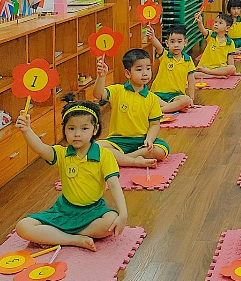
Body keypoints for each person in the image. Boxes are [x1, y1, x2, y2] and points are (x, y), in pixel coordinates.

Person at [14, 96, 127, 250]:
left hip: (93, 210)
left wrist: (123, 213)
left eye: (84, 128)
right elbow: (40, 148)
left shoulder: (105, 155)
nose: (77, 134)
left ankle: (56, 235)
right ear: (64, 130)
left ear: (95, 129)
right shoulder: (61, 153)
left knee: (111, 220)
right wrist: (26, 130)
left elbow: (114, 185)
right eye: (71, 128)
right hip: (64, 211)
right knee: (23, 226)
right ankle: (74, 239)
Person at [93, 49, 170, 167]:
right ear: (128, 73)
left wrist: (149, 139)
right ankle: (134, 160)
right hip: (117, 140)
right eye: (139, 69)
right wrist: (101, 77)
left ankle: (124, 158)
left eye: (148, 68)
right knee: (96, 147)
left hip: (141, 141)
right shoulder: (118, 90)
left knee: (162, 150)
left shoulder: (153, 98)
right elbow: (98, 94)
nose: (145, 73)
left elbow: (155, 124)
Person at [146, 22, 196, 113]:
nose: (176, 45)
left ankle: (160, 110)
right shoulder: (164, 55)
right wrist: (152, 37)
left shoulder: (188, 60)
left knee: (186, 100)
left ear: (185, 42)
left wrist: (191, 99)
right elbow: (157, 45)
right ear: (167, 43)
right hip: (158, 94)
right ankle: (172, 107)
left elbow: (191, 80)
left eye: (179, 41)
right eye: (172, 42)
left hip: (176, 96)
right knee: (147, 96)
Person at [195, 11, 238, 76]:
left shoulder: (230, 43)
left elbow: (230, 59)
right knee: (192, 74)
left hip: (219, 68)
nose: (216, 24)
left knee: (232, 68)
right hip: (205, 66)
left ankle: (210, 73)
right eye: (215, 22)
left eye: (220, 23)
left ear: (227, 28)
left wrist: (233, 72)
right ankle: (212, 75)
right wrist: (200, 22)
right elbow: (202, 30)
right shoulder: (211, 35)